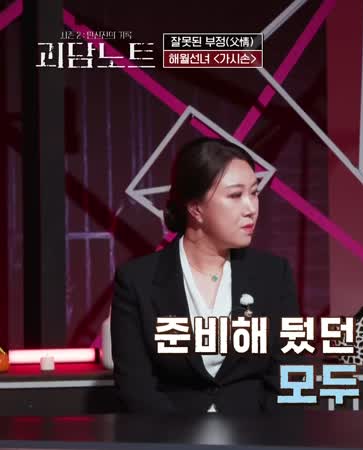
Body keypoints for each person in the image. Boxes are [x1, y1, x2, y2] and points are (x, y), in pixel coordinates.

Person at [111, 138, 300, 413]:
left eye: (254, 193)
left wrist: (265, 434)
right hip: (168, 433)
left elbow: (290, 374)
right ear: (195, 208)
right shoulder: (137, 281)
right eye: (235, 195)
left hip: (257, 431)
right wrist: (178, 436)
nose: (251, 208)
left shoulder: (273, 275)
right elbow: (135, 387)